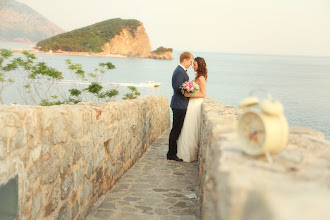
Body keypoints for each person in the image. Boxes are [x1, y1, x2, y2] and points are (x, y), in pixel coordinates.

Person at [177, 57, 207, 162]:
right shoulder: (197, 77)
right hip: (191, 104)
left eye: (194, 65)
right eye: (193, 64)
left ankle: (189, 153)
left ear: (200, 66)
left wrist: (189, 94)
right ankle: (184, 152)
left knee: (191, 127)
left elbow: (203, 94)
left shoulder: (201, 78)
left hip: (196, 105)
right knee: (187, 127)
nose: (193, 66)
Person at [167, 52, 194, 161]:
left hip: (180, 104)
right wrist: (188, 91)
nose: (191, 64)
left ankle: (172, 152)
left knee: (177, 129)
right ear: (185, 60)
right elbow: (177, 88)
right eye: (190, 61)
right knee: (176, 130)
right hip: (179, 105)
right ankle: (171, 154)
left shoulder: (180, 71)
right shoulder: (179, 71)